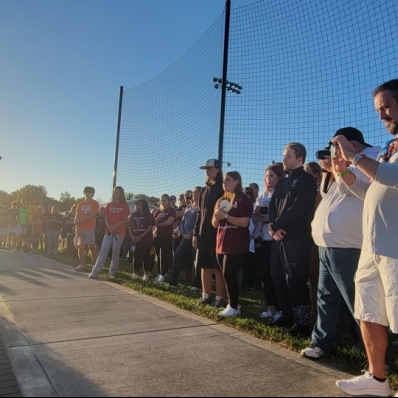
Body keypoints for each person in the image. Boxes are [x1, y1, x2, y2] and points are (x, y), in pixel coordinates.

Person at [333, 80, 398, 397]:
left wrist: (356, 158)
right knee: (369, 311)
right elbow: (372, 189)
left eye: (386, 106)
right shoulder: (391, 148)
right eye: (378, 110)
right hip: (374, 248)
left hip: (396, 248)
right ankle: (377, 379)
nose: (382, 115)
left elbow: (393, 177)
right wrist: (344, 174)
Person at [301, 128, 380, 360]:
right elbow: (329, 197)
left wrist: (344, 165)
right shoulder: (343, 165)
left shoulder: (373, 158)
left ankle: (375, 353)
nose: (332, 152)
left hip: (350, 245)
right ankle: (323, 342)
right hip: (328, 244)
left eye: (335, 145)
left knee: (358, 301)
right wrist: (331, 171)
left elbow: (360, 192)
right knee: (327, 297)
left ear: (351, 144)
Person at [268, 142, 317, 335]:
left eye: (288, 156)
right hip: (278, 239)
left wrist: (277, 224)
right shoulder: (282, 182)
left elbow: (299, 207)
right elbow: (273, 207)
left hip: (297, 237)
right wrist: (273, 228)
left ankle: (302, 323)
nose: (283, 159)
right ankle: (286, 315)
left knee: (295, 280)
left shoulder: (306, 180)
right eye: (283, 155)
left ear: (299, 159)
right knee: (278, 278)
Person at [212, 172, 252, 317]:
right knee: (224, 275)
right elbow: (215, 224)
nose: (224, 183)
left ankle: (234, 306)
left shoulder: (243, 199)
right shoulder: (221, 200)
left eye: (227, 180)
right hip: (221, 242)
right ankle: (232, 304)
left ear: (236, 182)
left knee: (230, 274)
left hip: (236, 243)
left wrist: (227, 216)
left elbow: (245, 222)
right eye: (223, 180)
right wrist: (217, 216)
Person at [252, 164, 285, 321]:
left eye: (271, 175)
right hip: (263, 239)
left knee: (275, 275)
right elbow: (255, 218)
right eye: (266, 176)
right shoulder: (262, 196)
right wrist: (257, 214)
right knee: (264, 274)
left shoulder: (283, 194)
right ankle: (270, 308)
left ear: (279, 176)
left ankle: (281, 309)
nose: (268, 179)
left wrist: (271, 219)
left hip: (277, 240)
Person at [193, 159, 225, 306]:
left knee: (217, 267)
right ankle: (206, 296)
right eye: (205, 169)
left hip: (218, 234)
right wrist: (195, 233)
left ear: (217, 169)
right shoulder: (204, 190)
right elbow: (200, 213)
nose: (206, 171)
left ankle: (219, 297)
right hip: (203, 234)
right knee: (204, 265)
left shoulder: (223, 188)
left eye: (209, 168)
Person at [89, 186, 130, 278]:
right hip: (108, 232)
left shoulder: (124, 206)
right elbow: (106, 218)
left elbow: (125, 220)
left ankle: (113, 270)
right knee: (103, 251)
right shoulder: (109, 205)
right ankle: (95, 270)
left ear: (121, 194)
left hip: (119, 232)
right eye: (114, 192)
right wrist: (109, 226)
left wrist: (115, 226)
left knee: (115, 252)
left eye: (117, 192)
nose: (115, 194)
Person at [167, 186, 201, 287]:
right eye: (194, 193)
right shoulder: (188, 207)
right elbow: (182, 222)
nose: (195, 195)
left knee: (197, 261)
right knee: (177, 256)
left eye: (198, 193)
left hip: (195, 238)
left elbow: (199, 223)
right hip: (184, 237)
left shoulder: (202, 208)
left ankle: (197, 284)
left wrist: (191, 234)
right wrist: (183, 233)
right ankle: (173, 282)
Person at [304, 161, 323, 325]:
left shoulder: (319, 192)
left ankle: (315, 313)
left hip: (315, 240)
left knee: (315, 278)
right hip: (306, 238)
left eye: (307, 172)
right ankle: (310, 311)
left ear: (316, 174)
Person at [74, 187, 100, 272]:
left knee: (92, 247)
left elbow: (91, 215)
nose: (88, 194)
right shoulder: (80, 204)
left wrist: (80, 220)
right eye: (86, 192)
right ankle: (82, 264)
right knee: (80, 246)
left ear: (92, 194)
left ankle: (95, 265)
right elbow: (77, 215)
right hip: (80, 228)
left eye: (90, 192)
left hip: (89, 228)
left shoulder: (95, 203)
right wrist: (77, 226)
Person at [130, 199, 155, 282]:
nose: (139, 206)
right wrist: (132, 236)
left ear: (144, 206)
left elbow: (150, 227)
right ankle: (135, 273)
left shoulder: (148, 215)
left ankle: (146, 274)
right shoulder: (133, 215)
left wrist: (141, 236)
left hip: (146, 240)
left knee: (145, 257)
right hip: (135, 240)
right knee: (136, 256)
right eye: (138, 205)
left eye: (141, 205)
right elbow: (129, 226)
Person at [153, 194, 176, 283]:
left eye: (164, 200)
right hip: (157, 235)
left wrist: (158, 224)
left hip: (166, 235)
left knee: (163, 254)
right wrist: (159, 217)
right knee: (158, 254)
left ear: (169, 201)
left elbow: (168, 222)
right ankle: (160, 272)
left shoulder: (172, 211)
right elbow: (154, 221)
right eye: (161, 200)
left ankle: (163, 274)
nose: (163, 202)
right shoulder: (158, 211)